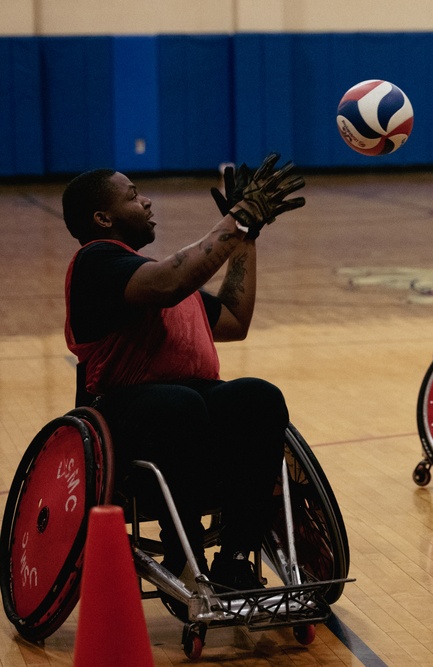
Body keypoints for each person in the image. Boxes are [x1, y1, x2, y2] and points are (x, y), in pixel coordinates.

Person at [61, 154, 305, 593]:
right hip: (126, 414)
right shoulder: (95, 263)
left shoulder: (153, 276)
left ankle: (234, 557)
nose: (148, 202)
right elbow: (169, 280)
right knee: (179, 402)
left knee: (259, 396)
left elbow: (233, 320)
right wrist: (235, 219)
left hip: (189, 407)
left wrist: (246, 236)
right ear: (103, 217)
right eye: (134, 196)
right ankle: (183, 542)